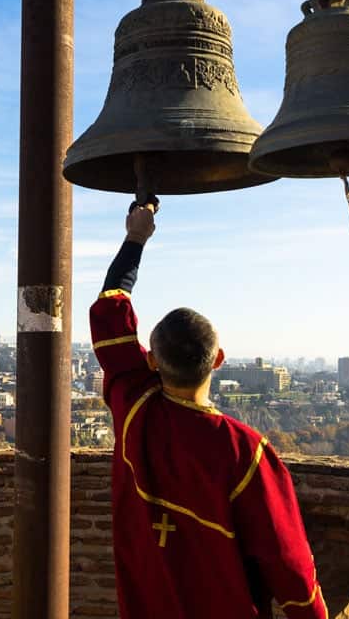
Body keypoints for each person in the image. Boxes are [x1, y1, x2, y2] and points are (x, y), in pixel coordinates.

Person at [90, 202, 327, 619]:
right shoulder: (244, 451)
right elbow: (289, 563)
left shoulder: (134, 406)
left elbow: (111, 312)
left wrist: (136, 238)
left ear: (152, 360)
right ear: (218, 360)